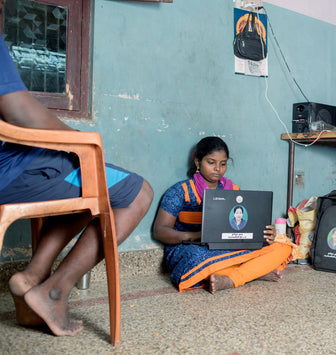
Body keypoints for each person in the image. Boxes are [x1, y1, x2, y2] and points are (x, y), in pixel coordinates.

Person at [0, 13, 154, 338]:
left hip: (15, 171)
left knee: (83, 179)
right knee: (137, 191)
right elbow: (19, 111)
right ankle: (54, 291)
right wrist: (79, 142)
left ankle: (33, 276)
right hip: (10, 171)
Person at [153, 136, 296, 294]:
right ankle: (253, 272)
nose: (217, 169)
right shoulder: (180, 191)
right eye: (211, 162)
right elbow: (160, 230)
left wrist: (266, 234)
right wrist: (195, 236)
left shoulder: (233, 190)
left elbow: (242, 227)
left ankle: (231, 278)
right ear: (197, 162)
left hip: (228, 246)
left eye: (223, 164)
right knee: (194, 259)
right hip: (192, 248)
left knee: (283, 247)